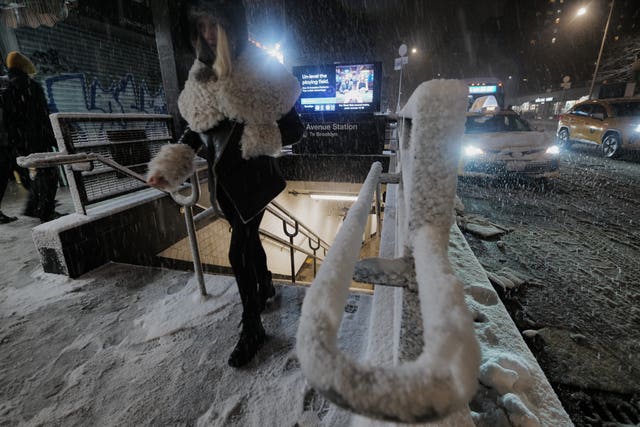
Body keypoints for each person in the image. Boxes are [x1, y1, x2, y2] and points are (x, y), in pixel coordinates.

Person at [146, 0, 304, 368]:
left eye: (214, 25)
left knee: (238, 251)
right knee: (249, 242)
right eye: (200, 27)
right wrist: (168, 168)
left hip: (254, 180)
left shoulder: (263, 72)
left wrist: (259, 131)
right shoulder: (200, 75)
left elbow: (296, 128)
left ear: (231, 25)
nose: (207, 34)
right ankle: (264, 285)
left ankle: (253, 329)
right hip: (225, 184)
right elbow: (194, 129)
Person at [0, 51, 58, 223]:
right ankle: (43, 210)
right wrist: (51, 137)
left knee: (11, 176)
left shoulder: (6, 88)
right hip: (34, 138)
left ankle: (35, 207)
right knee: (48, 170)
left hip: (14, 141)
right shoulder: (31, 86)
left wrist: (11, 140)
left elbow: (9, 118)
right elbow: (41, 116)